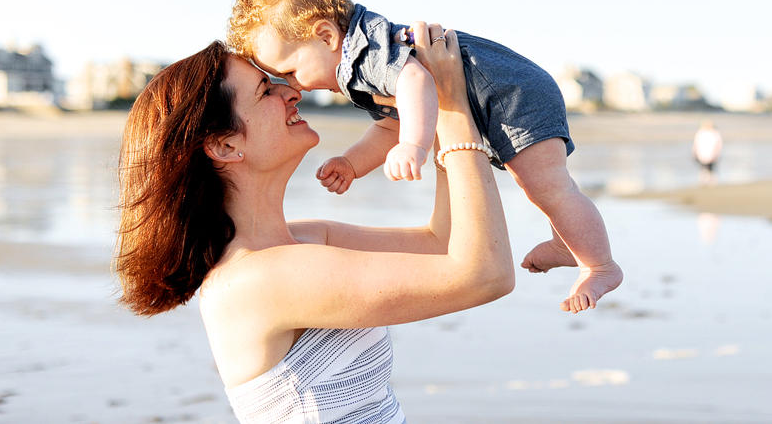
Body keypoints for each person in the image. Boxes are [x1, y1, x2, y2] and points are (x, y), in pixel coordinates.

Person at [115, 25, 515, 424]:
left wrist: (435, 108)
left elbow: (443, 244)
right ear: (225, 145)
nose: (292, 92)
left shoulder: (304, 240)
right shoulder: (256, 279)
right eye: (265, 90)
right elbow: (486, 274)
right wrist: (455, 106)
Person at [226, 0, 622, 313]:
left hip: (513, 92)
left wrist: (414, 145)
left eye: (291, 72)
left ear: (327, 36)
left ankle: (601, 265)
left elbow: (416, 82)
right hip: (504, 92)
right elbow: (388, 125)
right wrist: (351, 163)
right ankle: (567, 242)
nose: (293, 86)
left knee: (549, 186)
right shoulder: (359, 66)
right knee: (538, 185)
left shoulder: (369, 53)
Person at [693, 119, 723, 186]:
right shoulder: (700, 133)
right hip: (702, 153)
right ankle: (704, 180)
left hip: (712, 154)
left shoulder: (715, 133)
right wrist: (694, 152)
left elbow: (719, 144)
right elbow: (696, 143)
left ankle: (712, 181)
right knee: (703, 167)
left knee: (711, 168)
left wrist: (717, 153)